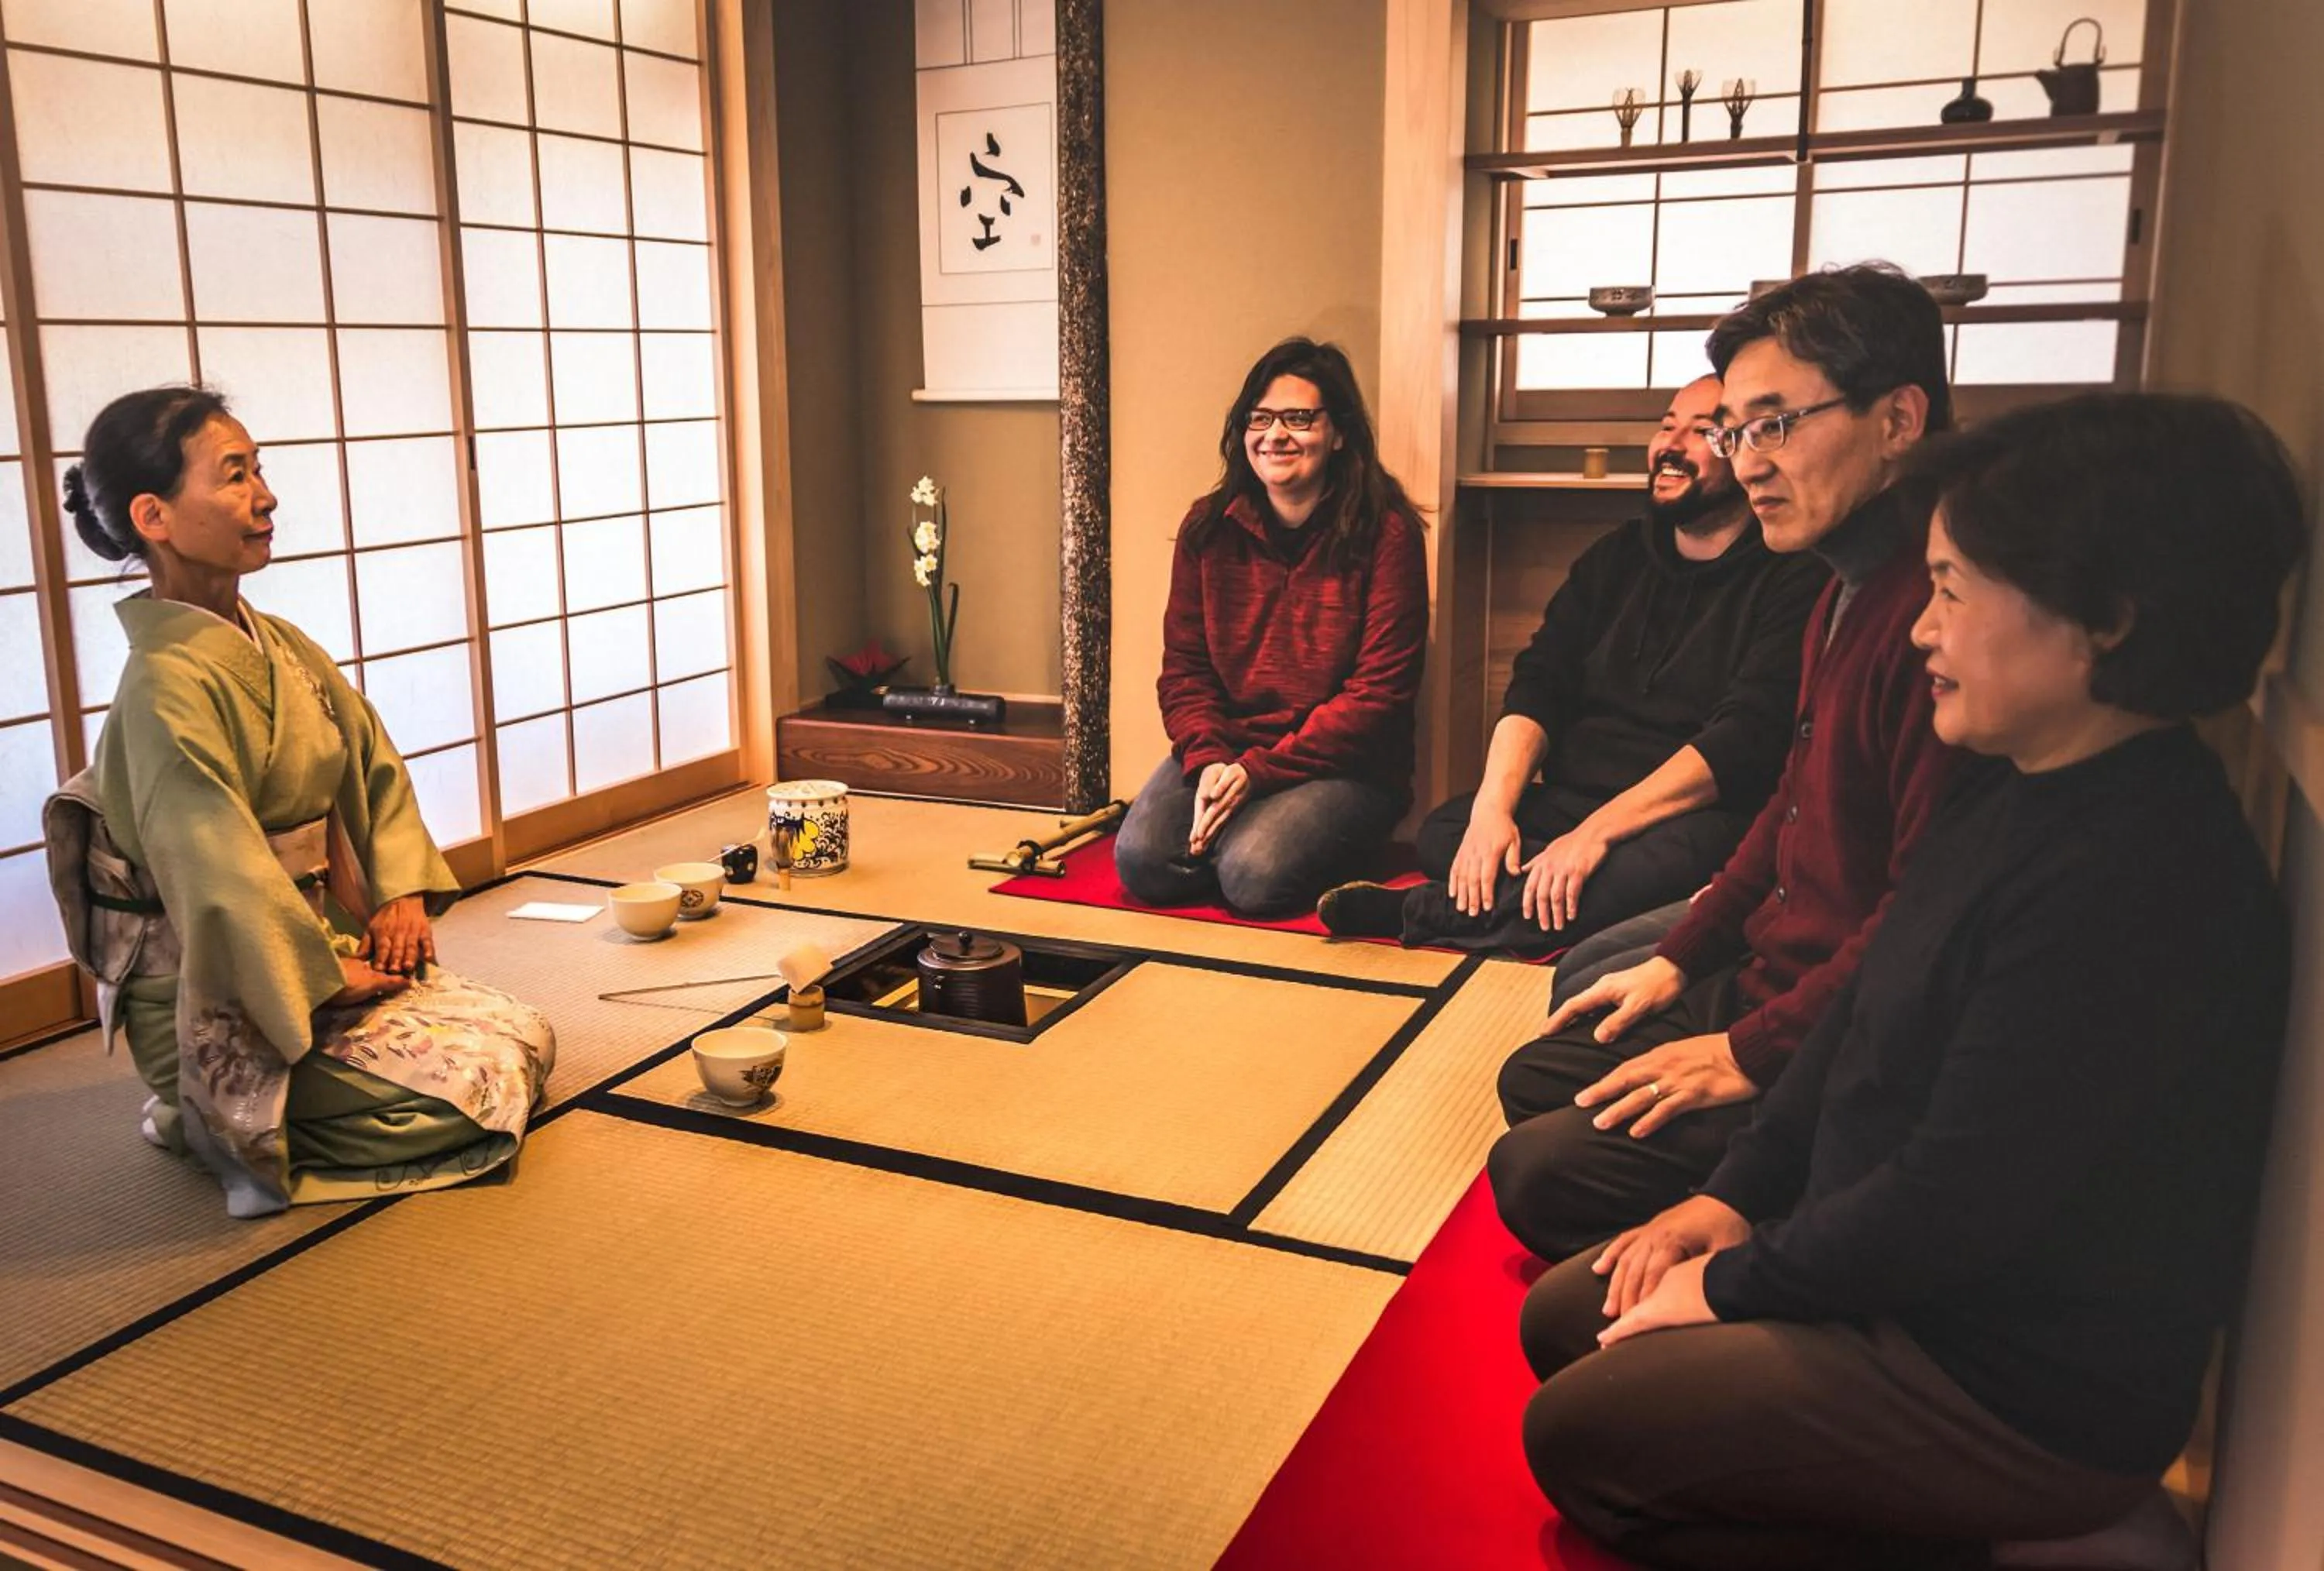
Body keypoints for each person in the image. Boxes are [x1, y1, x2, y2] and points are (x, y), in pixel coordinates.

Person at [1515, 390, 2306, 1571]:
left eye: (1951, 591)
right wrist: (1730, 1199)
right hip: (1895, 1273)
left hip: (2007, 1379)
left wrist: (1738, 1285)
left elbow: (1953, 1199)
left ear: (2106, 622)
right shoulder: (2012, 775)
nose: (1923, 632)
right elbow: (1855, 1018)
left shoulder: (2142, 878)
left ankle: (2045, 1544)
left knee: (1581, 1435)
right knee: (1570, 1318)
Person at [1489, 264, 1974, 1262]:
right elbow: (1791, 798)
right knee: (1542, 1070)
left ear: (1898, 419)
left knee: (1537, 1172)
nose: (1749, 463)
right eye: (1736, 432)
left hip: (1837, 1028)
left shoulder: (1939, 624)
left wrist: (1748, 1053)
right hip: (1770, 967)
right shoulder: (1835, 583)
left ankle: (1793, 1211)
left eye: (1775, 425)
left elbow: (1917, 918)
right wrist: (1678, 960)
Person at [43, 386, 555, 1219]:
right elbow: (219, 879)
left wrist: (398, 893)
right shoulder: (164, 692)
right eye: (234, 475)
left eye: (259, 470)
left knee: (523, 1036)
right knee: (456, 1102)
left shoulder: (277, 642)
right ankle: (197, 1117)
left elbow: (370, 763)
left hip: (317, 948)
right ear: (153, 516)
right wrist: (318, 977)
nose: (266, 496)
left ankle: (264, 1098)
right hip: (220, 995)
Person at [1317, 374, 1826, 955]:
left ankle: (1420, 910)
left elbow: (1742, 739)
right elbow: (1539, 684)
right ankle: (1531, 901)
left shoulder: (1790, 575)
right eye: (1667, 427)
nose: (1671, 445)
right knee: (1447, 833)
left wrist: (1595, 837)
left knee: (1648, 875)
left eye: (1703, 432)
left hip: (1689, 816)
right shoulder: (1616, 557)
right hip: (1574, 798)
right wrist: (1493, 810)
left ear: (1744, 453)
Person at [1112, 338, 1428, 917]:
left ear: (1338, 433)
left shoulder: (1386, 534)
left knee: (1253, 875)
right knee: (1142, 861)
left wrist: (1256, 774)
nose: (1275, 435)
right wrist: (1210, 759)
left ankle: (1264, 842)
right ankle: (1238, 833)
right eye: (1260, 419)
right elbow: (1185, 672)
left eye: (1299, 418)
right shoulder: (1208, 529)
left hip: (1345, 766)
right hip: (1230, 751)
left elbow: (1378, 697)